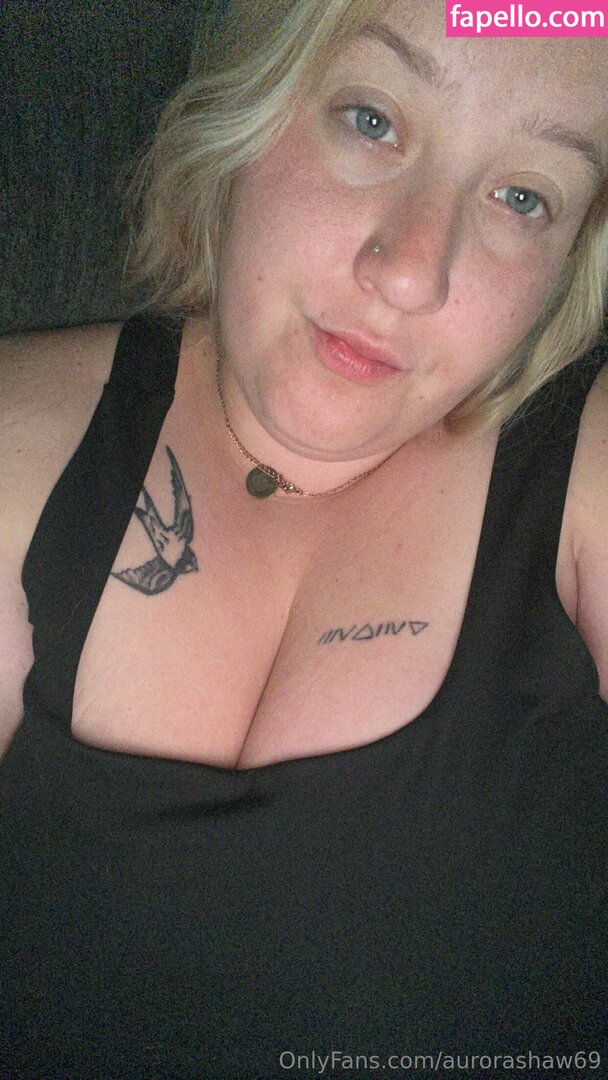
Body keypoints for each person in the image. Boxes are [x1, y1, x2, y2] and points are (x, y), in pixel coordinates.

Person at [1, 0, 607, 1075]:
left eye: (523, 197)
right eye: (371, 120)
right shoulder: (20, 434)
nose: (410, 269)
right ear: (249, 106)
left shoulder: (588, 468)